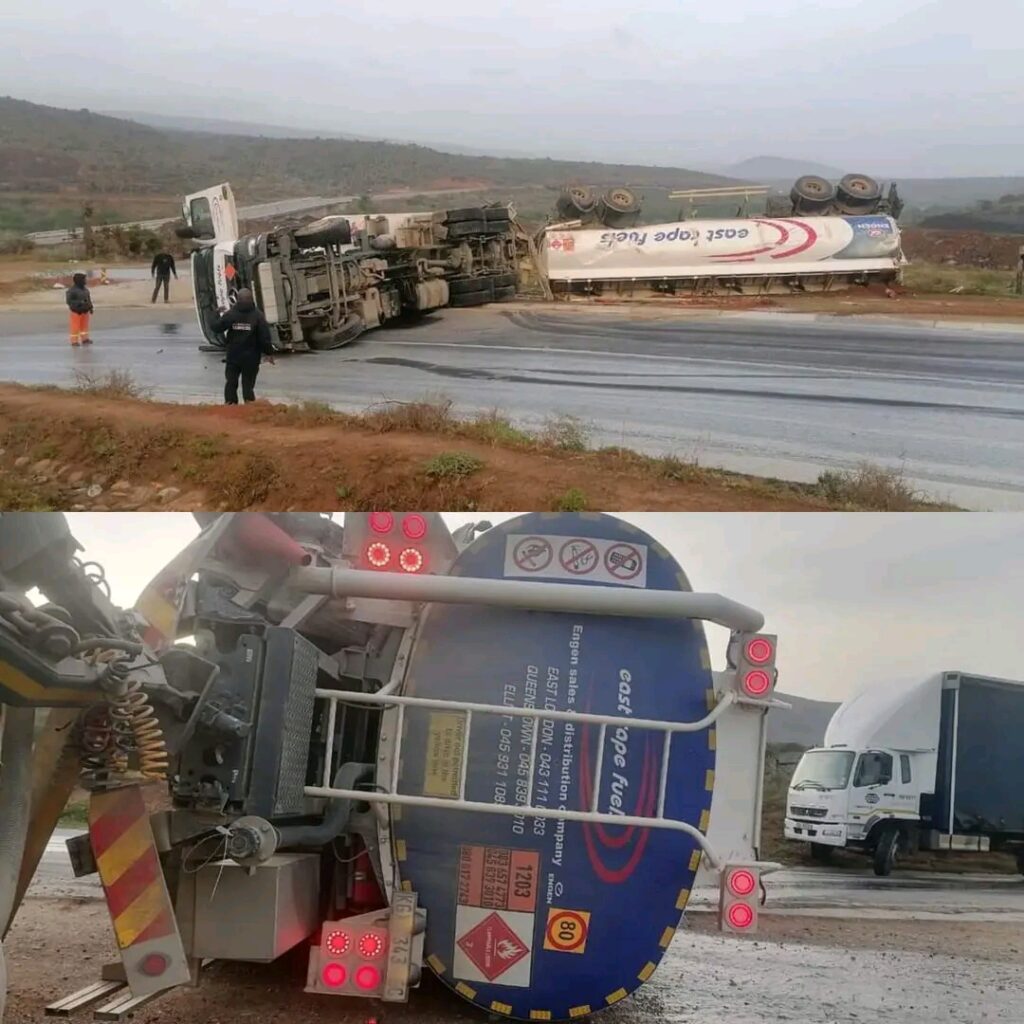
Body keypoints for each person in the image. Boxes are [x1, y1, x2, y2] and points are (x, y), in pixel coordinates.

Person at [210, 288, 275, 404]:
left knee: (231, 383)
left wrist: (215, 314)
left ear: (237, 300)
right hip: (251, 358)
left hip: (233, 356)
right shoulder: (258, 316)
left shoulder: (231, 314)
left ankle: (230, 405)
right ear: (252, 299)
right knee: (248, 385)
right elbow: (264, 338)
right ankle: (249, 406)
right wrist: (269, 353)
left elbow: (216, 327)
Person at [65, 272, 94, 346]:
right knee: (75, 327)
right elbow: (69, 301)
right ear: (79, 280)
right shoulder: (72, 290)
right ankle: (74, 341)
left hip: (85, 311)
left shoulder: (85, 290)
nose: (85, 281)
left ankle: (85, 339)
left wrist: (90, 307)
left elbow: (88, 299)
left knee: (84, 327)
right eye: (84, 279)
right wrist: (79, 303)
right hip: (76, 312)